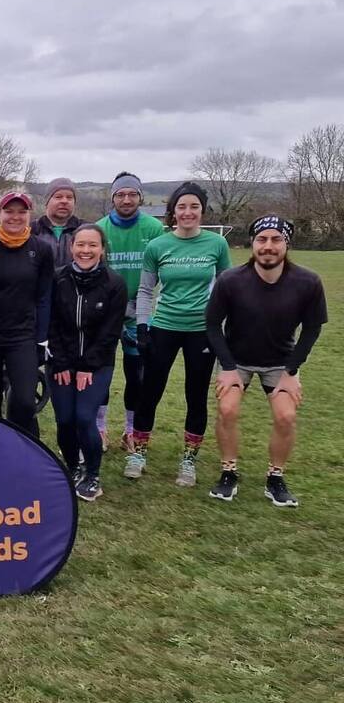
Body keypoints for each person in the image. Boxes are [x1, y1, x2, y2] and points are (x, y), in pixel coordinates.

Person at [206, 215, 327, 507]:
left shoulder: (308, 282)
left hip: (280, 362)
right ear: (253, 243)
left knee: (286, 416)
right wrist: (228, 368)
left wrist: (291, 371)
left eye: (276, 239)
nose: (268, 246)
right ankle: (228, 472)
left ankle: (275, 477)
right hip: (236, 360)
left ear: (287, 243)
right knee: (227, 409)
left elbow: (312, 329)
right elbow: (212, 324)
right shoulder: (231, 280)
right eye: (262, 239)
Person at [125, 181, 232, 486]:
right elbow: (145, 290)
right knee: (150, 392)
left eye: (194, 206)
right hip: (164, 328)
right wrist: (143, 326)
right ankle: (138, 454)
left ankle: (189, 461)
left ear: (202, 211)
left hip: (201, 331)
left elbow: (227, 288)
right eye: (182, 206)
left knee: (195, 396)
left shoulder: (217, 244)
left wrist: (221, 326)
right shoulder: (158, 246)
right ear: (173, 211)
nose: (188, 212)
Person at [48, 226, 127, 501]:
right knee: (64, 420)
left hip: (97, 364)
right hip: (61, 362)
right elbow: (51, 324)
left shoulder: (115, 283)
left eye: (92, 245)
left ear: (102, 249)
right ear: (71, 247)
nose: (85, 250)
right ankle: (72, 468)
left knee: (84, 417)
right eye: (80, 244)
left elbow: (110, 332)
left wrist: (87, 366)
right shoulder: (57, 278)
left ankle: (92, 474)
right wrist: (61, 363)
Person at [95, 172, 165, 452]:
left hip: (140, 314)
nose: (126, 200)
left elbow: (159, 272)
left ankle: (130, 430)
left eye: (132, 194)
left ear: (140, 197)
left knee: (136, 375)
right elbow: (96, 274)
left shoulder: (154, 229)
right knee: (101, 373)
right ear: (113, 198)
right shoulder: (100, 229)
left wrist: (138, 308)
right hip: (105, 314)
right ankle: (99, 429)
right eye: (121, 194)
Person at [0, 190, 53, 436]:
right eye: (9, 211)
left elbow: (44, 297)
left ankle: (22, 444)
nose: (15, 217)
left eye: (22, 211)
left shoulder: (41, 250)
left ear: (30, 215)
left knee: (24, 401)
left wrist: (42, 338)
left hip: (22, 337)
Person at [31, 177, 84, 267]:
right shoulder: (31, 230)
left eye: (69, 197)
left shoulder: (85, 230)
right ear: (47, 202)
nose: (64, 201)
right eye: (58, 197)